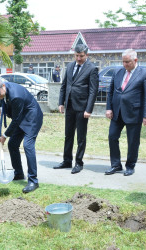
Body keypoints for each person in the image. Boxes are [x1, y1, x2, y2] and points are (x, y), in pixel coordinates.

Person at [0, 76, 43, 193]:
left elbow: (16, 120)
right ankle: (18, 174)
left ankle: (33, 181)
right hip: (21, 116)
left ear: (3, 86)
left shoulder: (16, 96)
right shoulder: (2, 90)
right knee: (12, 144)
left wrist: (4, 135)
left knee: (28, 146)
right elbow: (0, 97)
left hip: (32, 118)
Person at [105, 49, 146, 176]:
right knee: (112, 137)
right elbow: (110, 91)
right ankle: (115, 165)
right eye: (123, 62)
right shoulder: (118, 72)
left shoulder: (145, 73)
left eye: (128, 62)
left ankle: (130, 166)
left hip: (134, 113)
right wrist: (109, 108)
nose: (125, 64)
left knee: (132, 141)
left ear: (135, 60)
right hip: (117, 112)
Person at [53, 44, 99, 174]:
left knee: (81, 137)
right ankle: (67, 161)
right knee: (68, 135)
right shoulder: (69, 66)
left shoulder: (92, 69)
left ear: (87, 55)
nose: (78, 58)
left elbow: (93, 91)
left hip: (82, 108)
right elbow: (64, 85)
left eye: (81, 56)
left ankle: (79, 163)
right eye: (76, 55)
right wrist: (61, 102)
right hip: (69, 106)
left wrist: (88, 109)